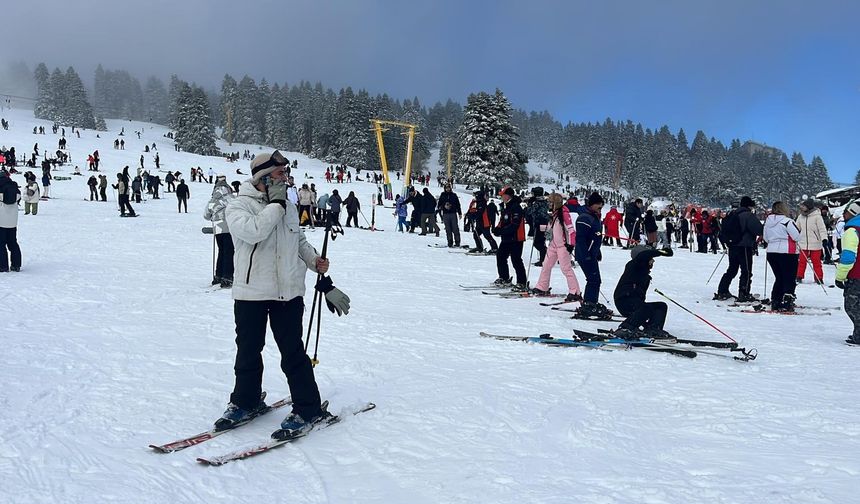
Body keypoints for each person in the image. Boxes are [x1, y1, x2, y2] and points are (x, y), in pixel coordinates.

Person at [216, 150, 351, 437]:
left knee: (293, 352)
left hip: (287, 293)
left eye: (286, 173)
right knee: (248, 351)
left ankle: (308, 408)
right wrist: (276, 205)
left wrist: (314, 260)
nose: (286, 178)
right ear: (263, 177)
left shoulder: (288, 207)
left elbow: (298, 240)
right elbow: (253, 232)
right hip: (251, 291)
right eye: (280, 174)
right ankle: (246, 401)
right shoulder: (239, 205)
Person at [613, 245, 675, 341]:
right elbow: (643, 255)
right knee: (646, 307)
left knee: (661, 306)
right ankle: (625, 328)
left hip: (634, 302)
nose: (653, 261)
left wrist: (643, 321)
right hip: (624, 300)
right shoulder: (633, 265)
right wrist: (660, 252)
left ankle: (653, 329)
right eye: (651, 258)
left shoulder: (644, 274)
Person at [532, 193, 582, 302]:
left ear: (556, 203)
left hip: (563, 246)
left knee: (566, 268)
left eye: (551, 202)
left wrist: (571, 245)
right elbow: (551, 229)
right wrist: (539, 226)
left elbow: (571, 230)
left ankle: (575, 292)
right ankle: (542, 287)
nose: (549, 204)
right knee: (546, 265)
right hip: (553, 245)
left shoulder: (563, 214)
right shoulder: (554, 214)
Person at [715, 196, 762, 302]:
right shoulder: (748, 215)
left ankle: (722, 290)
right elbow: (758, 230)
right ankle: (743, 293)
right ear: (749, 206)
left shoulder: (732, 214)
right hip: (744, 246)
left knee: (732, 269)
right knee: (746, 271)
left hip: (732, 245)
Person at [575, 192, 612, 318]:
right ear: (591, 204)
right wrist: (586, 254)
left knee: (595, 279)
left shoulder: (594, 216)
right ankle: (589, 305)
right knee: (593, 279)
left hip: (591, 253)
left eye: (601, 205)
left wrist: (597, 251)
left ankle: (591, 303)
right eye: (598, 205)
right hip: (585, 254)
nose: (600, 207)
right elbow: (581, 238)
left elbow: (595, 237)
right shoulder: (585, 218)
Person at [764, 201, 801, 312]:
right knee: (789, 278)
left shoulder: (768, 221)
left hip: (771, 251)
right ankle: (787, 300)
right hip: (787, 252)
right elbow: (797, 237)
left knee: (779, 277)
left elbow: (765, 238)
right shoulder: (787, 221)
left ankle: (776, 300)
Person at [492, 187, 528, 291]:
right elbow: (503, 221)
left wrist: (501, 231)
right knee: (500, 256)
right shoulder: (506, 207)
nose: (501, 197)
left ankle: (522, 282)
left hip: (516, 239)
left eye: (503, 195)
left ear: (508, 196)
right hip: (507, 238)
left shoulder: (516, 207)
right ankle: (504, 278)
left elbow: (514, 225)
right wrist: (497, 229)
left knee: (516, 260)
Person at [835, 199, 860, 345]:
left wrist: (840, 277)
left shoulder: (852, 231)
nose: (843, 215)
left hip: (857, 275)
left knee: (852, 306)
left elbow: (848, 257)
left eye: (846, 212)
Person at [204, 175, 235, 287]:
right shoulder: (231, 198)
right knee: (229, 251)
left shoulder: (213, 199)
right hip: (229, 227)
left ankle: (218, 275)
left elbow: (206, 215)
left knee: (221, 251)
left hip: (217, 228)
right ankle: (227, 276)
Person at [795, 198, 827, 285]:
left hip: (815, 243)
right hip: (803, 243)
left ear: (809, 206)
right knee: (802, 261)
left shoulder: (817, 216)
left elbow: (822, 229)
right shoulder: (800, 217)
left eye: (804, 206)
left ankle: (819, 278)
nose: (802, 208)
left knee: (816, 261)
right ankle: (799, 276)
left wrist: (824, 239)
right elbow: (796, 228)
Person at [0, 168, 22, 271]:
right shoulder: (14, 187)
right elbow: (18, 199)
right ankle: (16, 265)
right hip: (12, 221)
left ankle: (3, 266)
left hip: (1, 220)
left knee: (1, 244)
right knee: (13, 243)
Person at [524, 187, 548, 265]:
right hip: (544, 224)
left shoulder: (537, 203)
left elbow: (529, 212)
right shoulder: (545, 201)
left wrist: (529, 204)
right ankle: (543, 258)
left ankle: (544, 258)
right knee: (541, 241)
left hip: (538, 224)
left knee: (537, 242)